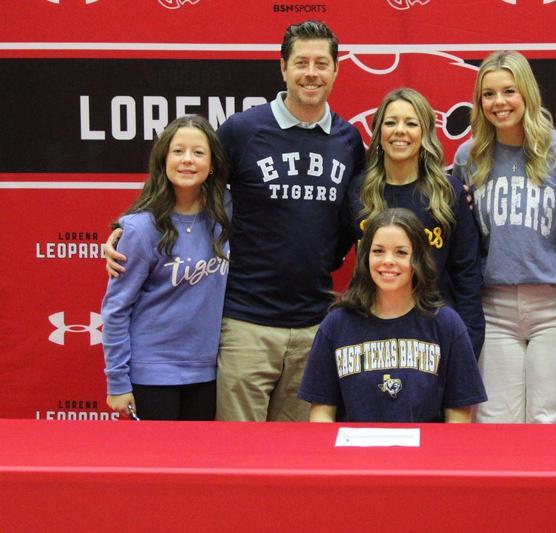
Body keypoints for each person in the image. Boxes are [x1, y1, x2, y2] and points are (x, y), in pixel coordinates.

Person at [105, 20, 365, 422]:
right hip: (245, 323)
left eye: (321, 63)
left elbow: (352, 218)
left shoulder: (349, 140)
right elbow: (185, 181)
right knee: (237, 456)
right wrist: (124, 229)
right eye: (301, 63)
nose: (311, 73)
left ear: (336, 69)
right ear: (283, 67)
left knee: (297, 458)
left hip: (314, 323)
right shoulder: (243, 130)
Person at [452, 51, 556, 424]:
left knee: (550, 416)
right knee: (494, 419)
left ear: (527, 93)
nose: (499, 102)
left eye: (509, 91)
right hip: (494, 306)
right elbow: (465, 239)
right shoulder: (468, 156)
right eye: (488, 94)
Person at [298, 208, 486, 422]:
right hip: (353, 454)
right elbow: (321, 411)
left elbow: (459, 415)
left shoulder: (447, 325)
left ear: (418, 259)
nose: (388, 260)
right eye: (378, 251)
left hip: (424, 454)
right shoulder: (336, 325)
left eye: (401, 252)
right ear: (365, 257)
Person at [101, 115, 230, 421]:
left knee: (198, 465)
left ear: (212, 164)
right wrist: (117, 382)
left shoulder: (226, 214)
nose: (188, 160)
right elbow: (116, 309)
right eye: (178, 151)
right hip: (152, 375)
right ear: (163, 160)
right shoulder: (140, 229)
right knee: (154, 466)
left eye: (198, 153)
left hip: (206, 372)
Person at [350, 87, 484, 358]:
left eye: (411, 123)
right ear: (378, 134)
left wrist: (468, 341)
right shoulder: (358, 192)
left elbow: (467, 273)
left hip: (434, 331)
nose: (400, 130)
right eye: (391, 122)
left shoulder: (449, 192)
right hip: (371, 332)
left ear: (425, 134)